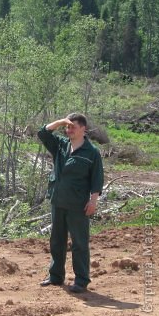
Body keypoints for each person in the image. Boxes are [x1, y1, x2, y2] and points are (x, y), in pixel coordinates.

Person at [37, 113, 104, 293]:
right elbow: (42, 133)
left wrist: (93, 201)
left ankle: (81, 280)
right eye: (67, 127)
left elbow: (97, 179)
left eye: (73, 126)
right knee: (57, 240)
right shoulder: (60, 145)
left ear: (84, 129)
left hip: (78, 204)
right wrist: (59, 122)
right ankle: (55, 276)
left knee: (79, 243)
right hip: (58, 201)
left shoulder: (92, 153)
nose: (69, 130)